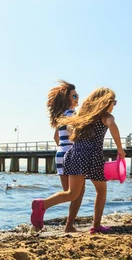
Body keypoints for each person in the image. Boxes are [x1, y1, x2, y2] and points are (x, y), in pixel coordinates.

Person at [31, 87, 126, 233]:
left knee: (72, 193)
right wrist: (120, 149)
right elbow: (112, 126)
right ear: (107, 102)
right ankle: (96, 226)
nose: (114, 105)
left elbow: (69, 130)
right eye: (114, 102)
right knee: (101, 191)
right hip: (93, 157)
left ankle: (43, 204)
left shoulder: (83, 117)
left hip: (75, 154)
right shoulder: (106, 116)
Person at [47, 80, 82, 232]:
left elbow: (56, 137)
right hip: (72, 154)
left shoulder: (59, 116)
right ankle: (68, 225)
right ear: (67, 99)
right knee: (77, 193)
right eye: (74, 96)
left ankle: (42, 206)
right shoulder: (72, 114)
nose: (77, 98)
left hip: (60, 154)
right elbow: (73, 130)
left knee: (69, 193)